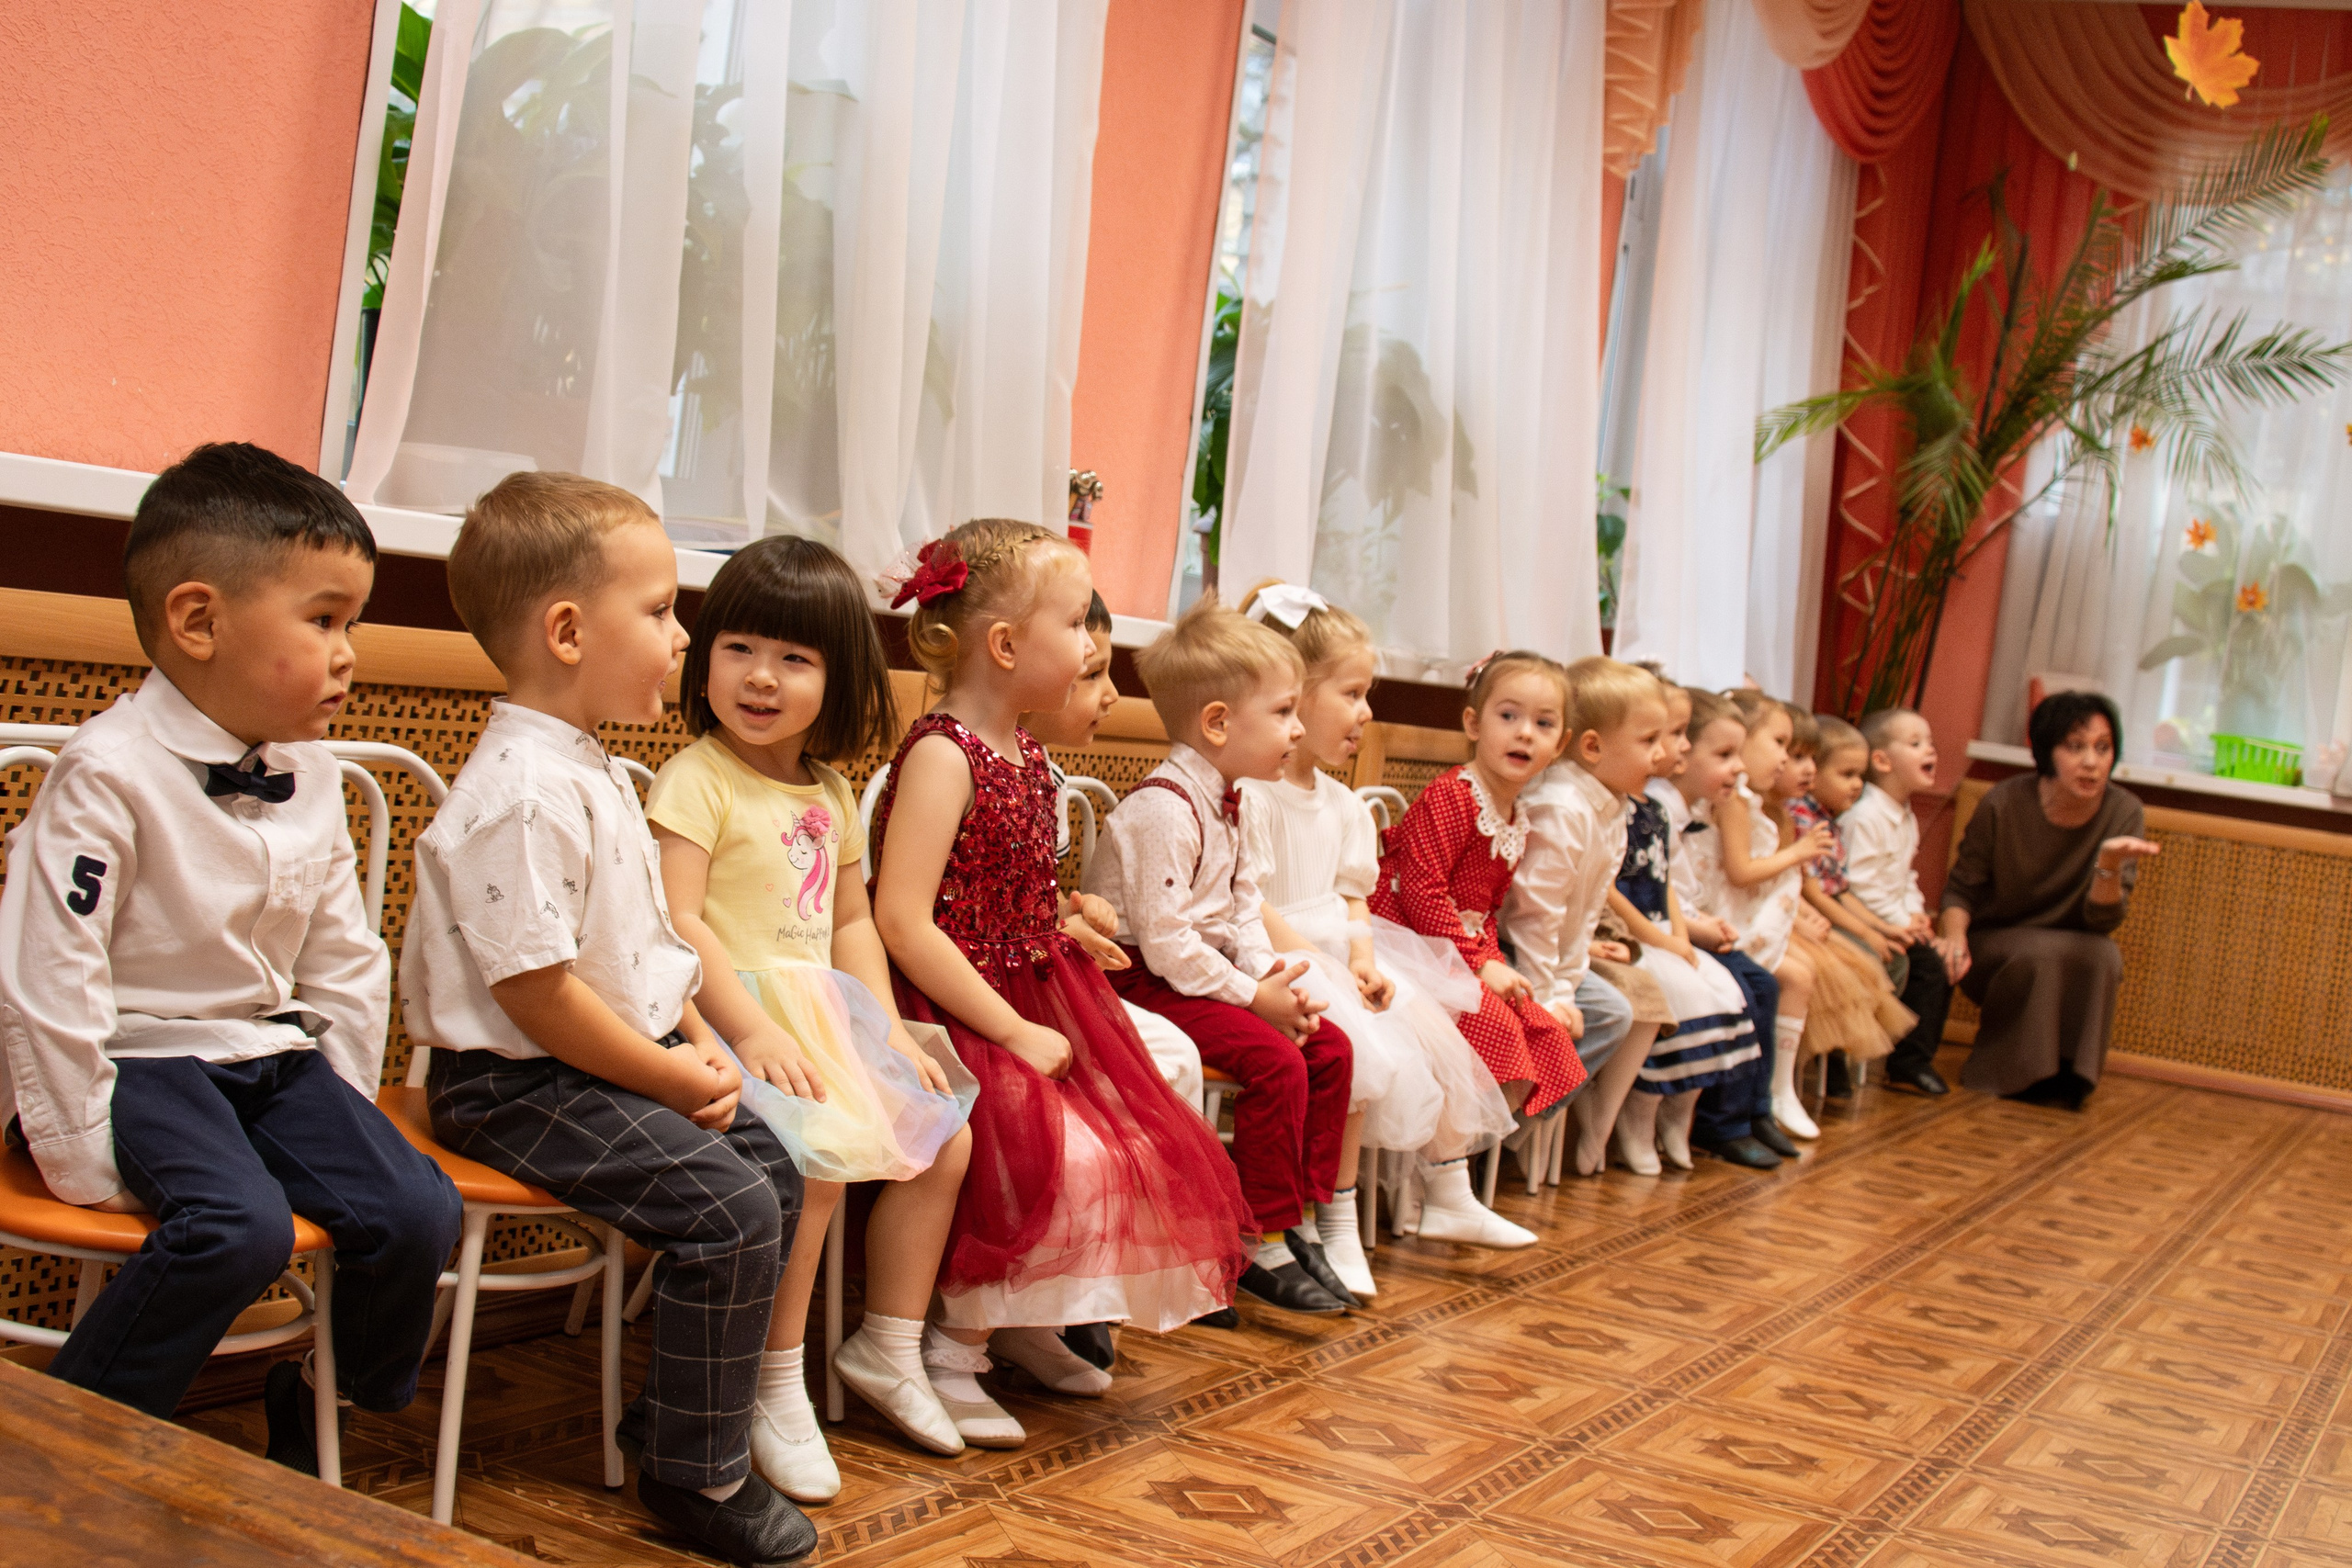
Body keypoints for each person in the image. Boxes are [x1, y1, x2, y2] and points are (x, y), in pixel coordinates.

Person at [0, 443, 462, 1467]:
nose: (350, 651)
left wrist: (338, 1104)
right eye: (325, 619)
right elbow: (49, 971)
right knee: (238, 1229)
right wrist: (75, 1145)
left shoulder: (309, 770)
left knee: (419, 1207)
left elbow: (345, 958)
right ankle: (56, 1449)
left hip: (267, 1058)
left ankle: (326, 1400)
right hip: (138, 1058)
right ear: (199, 621)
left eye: (353, 622)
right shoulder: (107, 774)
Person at [401, 472, 813, 1566]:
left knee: (775, 1169)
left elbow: (632, 943)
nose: (682, 637)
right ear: (569, 631)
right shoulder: (522, 793)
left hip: (598, 1062)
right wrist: (671, 1076)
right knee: (728, 1210)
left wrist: (698, 1035)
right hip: (511, 1082)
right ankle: (696, 1474)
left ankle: (681, 1417)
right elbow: (536, 994)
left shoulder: (591, 766)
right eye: (663, 610)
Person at [867, 521, 1252, 1434]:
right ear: (1005, 647)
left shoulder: (1029, 755)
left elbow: (1011, 889)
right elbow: (902, 920)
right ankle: (952, 1345)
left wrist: (1066, 922)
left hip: (1034, 982)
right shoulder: (941, 755)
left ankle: (1023, 1317)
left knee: (1129, 1136)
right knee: (1047, 1145)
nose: (1092, 647)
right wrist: (1005, 1029)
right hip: (955, 1003)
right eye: (1078, 625)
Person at [644, 536, 977, 1498]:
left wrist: (888, 1030)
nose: (761, 677)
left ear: (838, 680)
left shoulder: (830, 793)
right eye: (740, 647)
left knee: (944, 1139)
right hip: (720, 1015)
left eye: (795, 658)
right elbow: (678, 922)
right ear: (704, 658)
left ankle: (891, 1344)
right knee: (820, 1166)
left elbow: (847, 923)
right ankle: (770, 1380)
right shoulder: (696, 779)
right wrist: (751, 1028)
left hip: (818, 1013)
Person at [1086, 596, 1360, 1316]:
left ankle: (1299, 1214)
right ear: (1217, 722)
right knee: (1276, 1061)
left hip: (1204, 973)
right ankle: (1257, 1235)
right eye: (1283, 712)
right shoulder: (1163, 809)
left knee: (1329, 1047)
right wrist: (1250, 997)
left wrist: (1272, 976)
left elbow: (1243, 908)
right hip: (1146, 980)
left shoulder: (1235, 800)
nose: (1297, 729)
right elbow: (1170, 944)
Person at [1238, 582, 1525, 1262]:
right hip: (1278, 951)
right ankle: (1334, 1220)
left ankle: (1449, 1192)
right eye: (1351, 693)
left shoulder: (1342, 803)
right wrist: (1328, 962)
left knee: (1430, 1029)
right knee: (1364, 1056)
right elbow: (1250, 898)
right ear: (1296, 693)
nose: (1366, 712)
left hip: (1342, 947)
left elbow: (1356, 899)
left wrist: (1364, 960)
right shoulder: (1252, 794)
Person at [1371, 653, 1589, 1122]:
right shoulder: (1451, 796)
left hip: (1455, 947)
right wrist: (1479, 965)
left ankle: (1458, 1160)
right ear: (1473, 723)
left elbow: (1485, 910)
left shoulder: (1515, 817)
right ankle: (1442, 1167)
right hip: (1406, 938)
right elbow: (1421, 893)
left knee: (1541, 1031)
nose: (1525, 733)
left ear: (1561, 742)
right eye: (1508, 716)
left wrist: (1489, 960)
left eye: (1543, 723)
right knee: (1498, 1030)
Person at [1021, 592, 1207, 1116]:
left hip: (1039, 964)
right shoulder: (959, 765)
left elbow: (1031, 894)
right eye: (1092, 674)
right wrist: (1057, 931)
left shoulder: (1048, 778)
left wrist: (1070, 911)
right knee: (1156, 1065)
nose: (1113, 695)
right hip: (1000, 977)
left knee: (1177, 1057)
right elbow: (972, 904)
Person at [1939, 691, 2155, 1108]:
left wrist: (2108, 862)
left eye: (2102, 748)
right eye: (2075, 747)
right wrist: (1953, 938)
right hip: (1994, 940)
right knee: (2041, 953)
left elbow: (2104, 920)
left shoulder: (2125, 810)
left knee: (2105, 955)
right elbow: (1962, 887)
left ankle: (2072, 1077)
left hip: (2075, 940)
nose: (2091, 762)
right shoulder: (2003, 802)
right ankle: (2013, 1074)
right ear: (2046, 752)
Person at [1501, 657, 1665, 1178]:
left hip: (1554, 960)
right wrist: (1552, 996)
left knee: (1613, 1012)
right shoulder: (1563, 807)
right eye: (1648, 741)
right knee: (1596, 1014)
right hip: (1511, 953)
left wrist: (1567, 988)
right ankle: (1489, 1131)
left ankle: (1512, 1129)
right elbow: (1535, 915)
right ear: (1592, 746)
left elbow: (1584, 913)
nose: (1661, 755)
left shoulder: (1612, 806)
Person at [1600, 674, 1764, 1173]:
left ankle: (1679, 1117)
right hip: (1628, 931)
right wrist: (1662, 939)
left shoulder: (1656, 812)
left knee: (1726, 992)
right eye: (1670, 735)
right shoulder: (1612, 809)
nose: (1681, 747)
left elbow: (1666, 880)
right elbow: (1608, 883)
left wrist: (1677, 936)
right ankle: (1638, 1116)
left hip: (1660, 930)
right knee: (1685, 997)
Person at [1665, 690, 1792, 1155]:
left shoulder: (1698, 808)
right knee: (1744, 987)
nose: (1738, 767)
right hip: (1670, 932)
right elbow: (1661, 887)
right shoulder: (1665, 809)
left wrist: (1702, 922)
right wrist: (1695, 927)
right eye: (1724, 754)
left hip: (1691, 924)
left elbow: (1689, 886)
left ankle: (1756, 1108)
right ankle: (1723, 1124)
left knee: (1763, 984)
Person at [1841, 707, 1963, 1096]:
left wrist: (1915, 913)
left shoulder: (1904, 815)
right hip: (1861, 919)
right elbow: (1859, 884)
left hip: (1892, 919)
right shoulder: (1864, 816)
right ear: (1882, 760)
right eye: (1916, 744)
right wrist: (1898, 922)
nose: (1930, 750)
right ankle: (1906, 1061)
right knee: (1925, 965)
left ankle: (1911, 1060)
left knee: (1938, 961)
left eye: (1930, 743)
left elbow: (1903, 876)